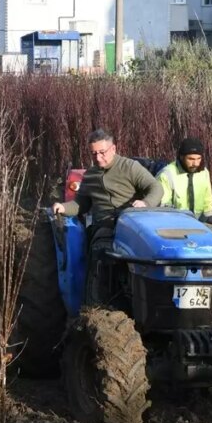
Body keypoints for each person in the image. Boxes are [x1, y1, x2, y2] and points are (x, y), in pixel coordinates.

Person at [52, 128, 163, 304]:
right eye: (94, 153)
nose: (98, 158)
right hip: (104, 224)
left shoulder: (130, 167)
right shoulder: (90, 175)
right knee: (101, 252)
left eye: (102, 152)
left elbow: (155, 188)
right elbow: (82, 204)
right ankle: (95, 304)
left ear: (113, 149)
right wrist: (63, 207)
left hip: (130, 222)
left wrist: (146, 203)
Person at [157, 137, 212, 226]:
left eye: (199, 158)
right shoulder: (167, 174)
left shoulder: (203, 172)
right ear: (181, 157)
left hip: (199, 224)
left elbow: (207, 203)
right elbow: (163, 207)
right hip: (174, 225)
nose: (196, 163)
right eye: (191, 159)